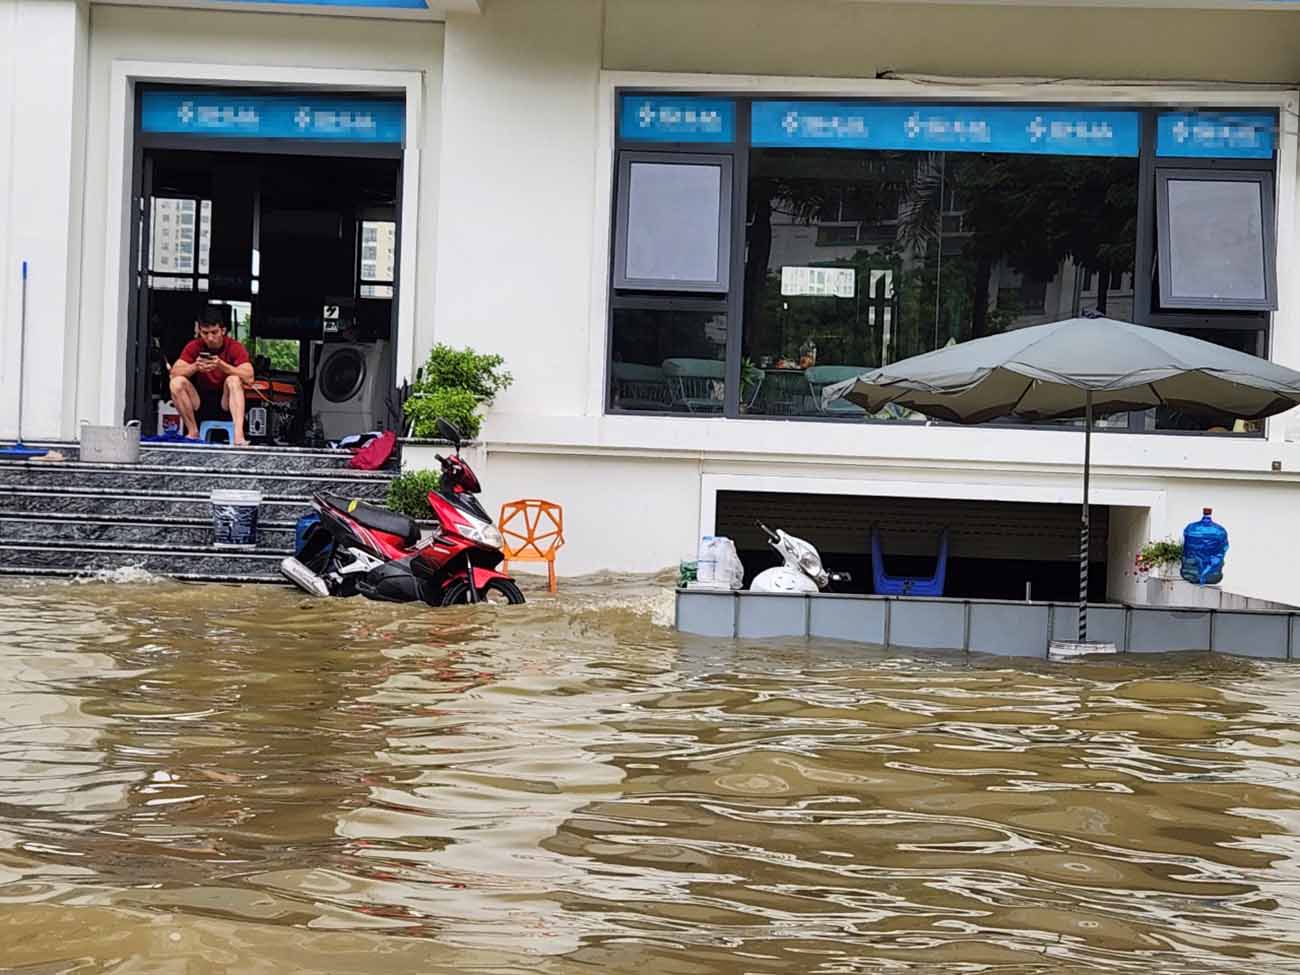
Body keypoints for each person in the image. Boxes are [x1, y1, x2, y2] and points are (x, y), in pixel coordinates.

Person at [169, 305, 254, 445]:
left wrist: (222, 365)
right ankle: (193, 432)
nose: (210, 337)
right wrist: (194, 367)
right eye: (205, 333)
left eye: (214, 332)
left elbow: (249, 377)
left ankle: (239, 437)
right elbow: (173, 374)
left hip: (226, 403)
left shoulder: (234, 347)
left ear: (223, 330)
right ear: (199, 332)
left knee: (233, 379)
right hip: (200, 402)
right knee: (176, 383)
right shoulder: (194, 346)